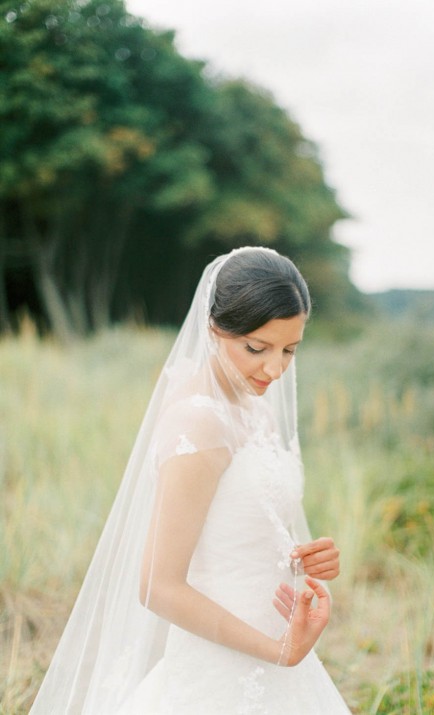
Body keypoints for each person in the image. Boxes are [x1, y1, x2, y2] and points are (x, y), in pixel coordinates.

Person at [30, 247, 351, 714]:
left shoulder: (254, 409)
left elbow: (242, 532)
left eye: (289, 350)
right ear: (213, 329)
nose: (275, 369)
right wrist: (275, 651)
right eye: (257, 348)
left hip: (280, 652)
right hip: (223, 667)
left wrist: (307, 561)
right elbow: (159, 587)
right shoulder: (197, 424)